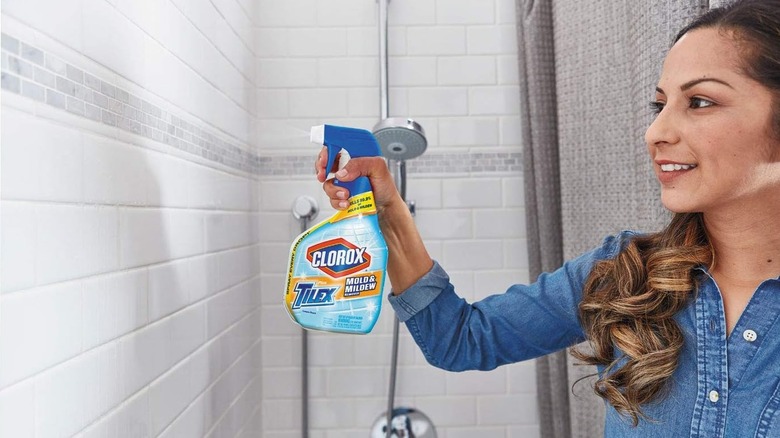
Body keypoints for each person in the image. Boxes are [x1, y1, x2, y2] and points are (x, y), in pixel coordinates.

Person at [315, 0, 780, 435]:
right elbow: (459, 339)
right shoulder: (623, 272)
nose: (655, 132)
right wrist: (390, 212)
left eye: (699, 102)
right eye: (660, 105)